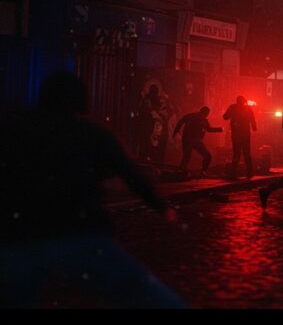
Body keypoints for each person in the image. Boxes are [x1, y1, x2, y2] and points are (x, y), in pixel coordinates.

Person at [0, 72, 185, 308]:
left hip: (21, 235)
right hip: (79, 231)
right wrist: (162, 207)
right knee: (151, 296)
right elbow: (131, 175)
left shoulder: (14, 129)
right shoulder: (90, 133)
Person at [173, 106, 222, 176]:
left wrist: (219, 129)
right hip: (191, 140)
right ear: (202, 112)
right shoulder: (194, 117)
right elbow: (181, 121)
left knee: (188, 156)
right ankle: (183, 171)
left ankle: (186, 171)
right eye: (206, 113)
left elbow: (208, 129)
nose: (207, 115)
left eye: (207, 114)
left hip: (191, 139)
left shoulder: (200, 119)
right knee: (189, 156)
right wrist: (176, 132)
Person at [223, 96, 257, 180]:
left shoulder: (233, 107)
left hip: (236, 134)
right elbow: (252, 119)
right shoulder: (247, 108)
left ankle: (233, 173)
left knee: (236, 154)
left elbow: (225, 117)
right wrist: (254, 127)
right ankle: (249, 173)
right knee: (246, 153)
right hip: (245, 134)